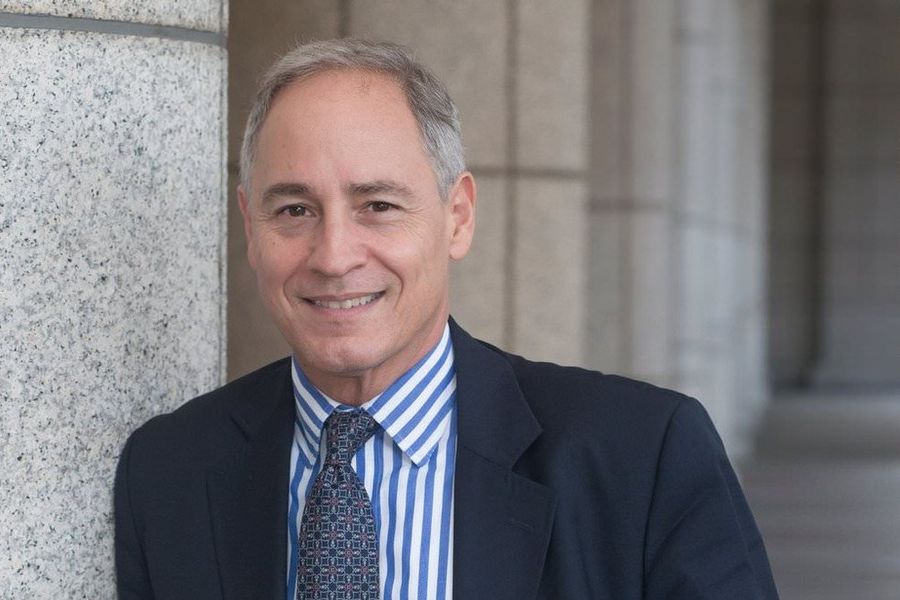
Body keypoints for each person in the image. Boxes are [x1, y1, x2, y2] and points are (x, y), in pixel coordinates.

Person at [115, 39, 779, 600]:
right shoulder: (170, 470)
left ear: (457, 217)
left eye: (378, 205)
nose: (334, 256)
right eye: (294, 210)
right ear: (250, 228)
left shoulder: (643, 457)